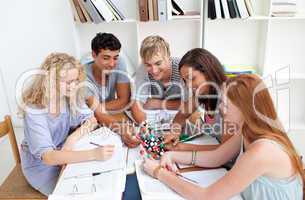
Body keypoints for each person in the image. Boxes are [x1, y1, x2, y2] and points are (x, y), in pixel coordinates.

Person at [143, 74, 304, 200]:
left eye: (225, 104)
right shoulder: (246, 130)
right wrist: (172, 155)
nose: (220, 108)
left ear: (245, 109)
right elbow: (216, 157)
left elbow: (206, 196)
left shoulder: (262, 151)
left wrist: (159, 173)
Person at [20, 53, 115, 195]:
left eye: (76, 80)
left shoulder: (69, 97)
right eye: (68, 82)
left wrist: (72, 139)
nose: (73, 86)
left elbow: (92, 120)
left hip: (65, 153)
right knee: (82, 194)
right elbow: (48, 157)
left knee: (102, 182)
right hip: (43, 168)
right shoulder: (35, 111)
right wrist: (93, 154)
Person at [164, 48, 231, 151]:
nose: (188, 85)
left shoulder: (228, 98)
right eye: (185, 80)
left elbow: (227, 150)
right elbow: (181, 116)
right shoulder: (201, 94)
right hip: (212, 155)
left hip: (227, 163)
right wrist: (174, 132)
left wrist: (181, 147)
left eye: (191, 78)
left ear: (208, 72)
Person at [84, 32, 131, 126]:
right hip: (89, 119)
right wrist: (97, 110)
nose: (112, 64)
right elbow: (95, 112)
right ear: (94, 55)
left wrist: (98, 108)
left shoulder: (120, 62)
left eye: (115, 58)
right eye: (106, 58)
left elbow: (124, 100)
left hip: (108, 113)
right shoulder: (82, 75)